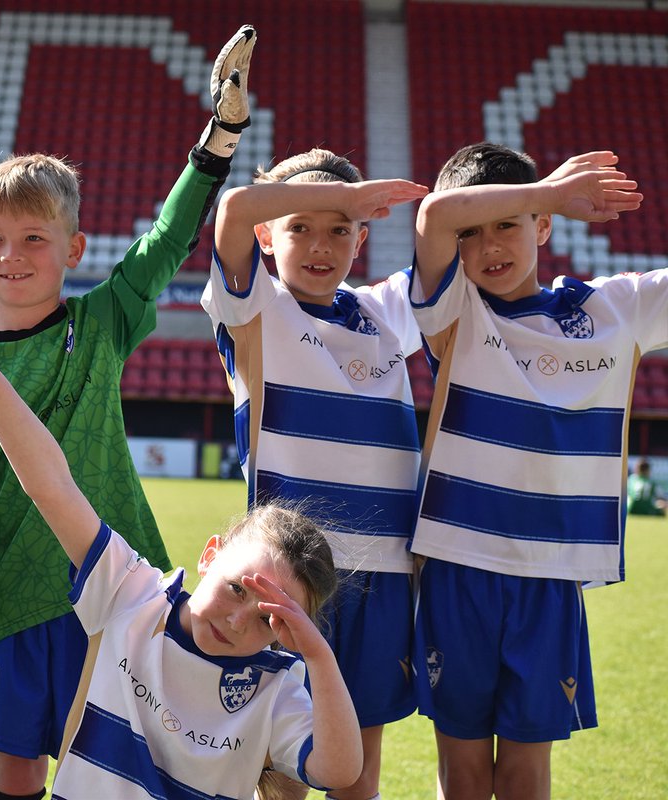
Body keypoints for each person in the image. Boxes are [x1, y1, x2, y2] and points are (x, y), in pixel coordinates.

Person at [0, 25, 257, 798]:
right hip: (7, 595)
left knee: (113, 753)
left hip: (117, 585)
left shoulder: (98, 324)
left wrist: (221, 136)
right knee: (12, 763)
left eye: (35, 237)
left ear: (72, 250)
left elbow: (169, 238)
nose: (12, 253)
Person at [0, 303, 363, 799]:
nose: (237, 622)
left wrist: (318, 656)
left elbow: (338, 773)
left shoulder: (277, 687)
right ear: (211, 554)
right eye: (237, 589)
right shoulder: (132, 593)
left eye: (267, 621)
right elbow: (52, 486)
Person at [410, 143, 649, 799]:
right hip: (458, 568)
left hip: (549, 577)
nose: (490, 245)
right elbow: (433, 217)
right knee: (462, 776)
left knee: (524, 776)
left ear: (544, 229)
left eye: (509, 224)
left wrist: (536, 197)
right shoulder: (454, 311)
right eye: (475, 232)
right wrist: (540, 191)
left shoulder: (610, 310)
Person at [201, 148, 428, 800]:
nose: (320, 245)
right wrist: (341, 200)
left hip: (382, 572)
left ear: (362, 237)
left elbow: (444, 253)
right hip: (288, 578)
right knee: (280, 770)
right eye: (301, 226)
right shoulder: (255, 308)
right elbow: (234, 212)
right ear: (270, 235)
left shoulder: (386, 310)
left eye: (339, 229)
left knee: (357, 769)